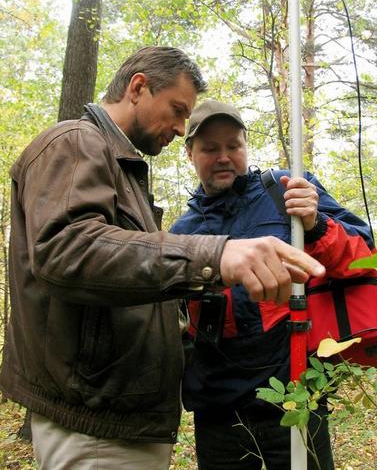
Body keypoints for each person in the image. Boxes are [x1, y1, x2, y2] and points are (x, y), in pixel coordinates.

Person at [0, 47, 324, 470]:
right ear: (138, 87)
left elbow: (126, 276)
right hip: (96, 420)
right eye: (176, 110)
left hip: (124, 418)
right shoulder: (75, 141)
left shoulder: (122, 169)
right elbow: (67, 247)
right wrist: (216, 253)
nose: (177, 127)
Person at [170, 99, 377, 470]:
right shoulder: (182, 233)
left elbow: (363, 256)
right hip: (218, 408)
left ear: (245, 147)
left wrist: (315, 224)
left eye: (233, 145)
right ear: (189, 154)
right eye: (210, 148)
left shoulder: (286, 192)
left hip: (294, 394)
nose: (223, 157)